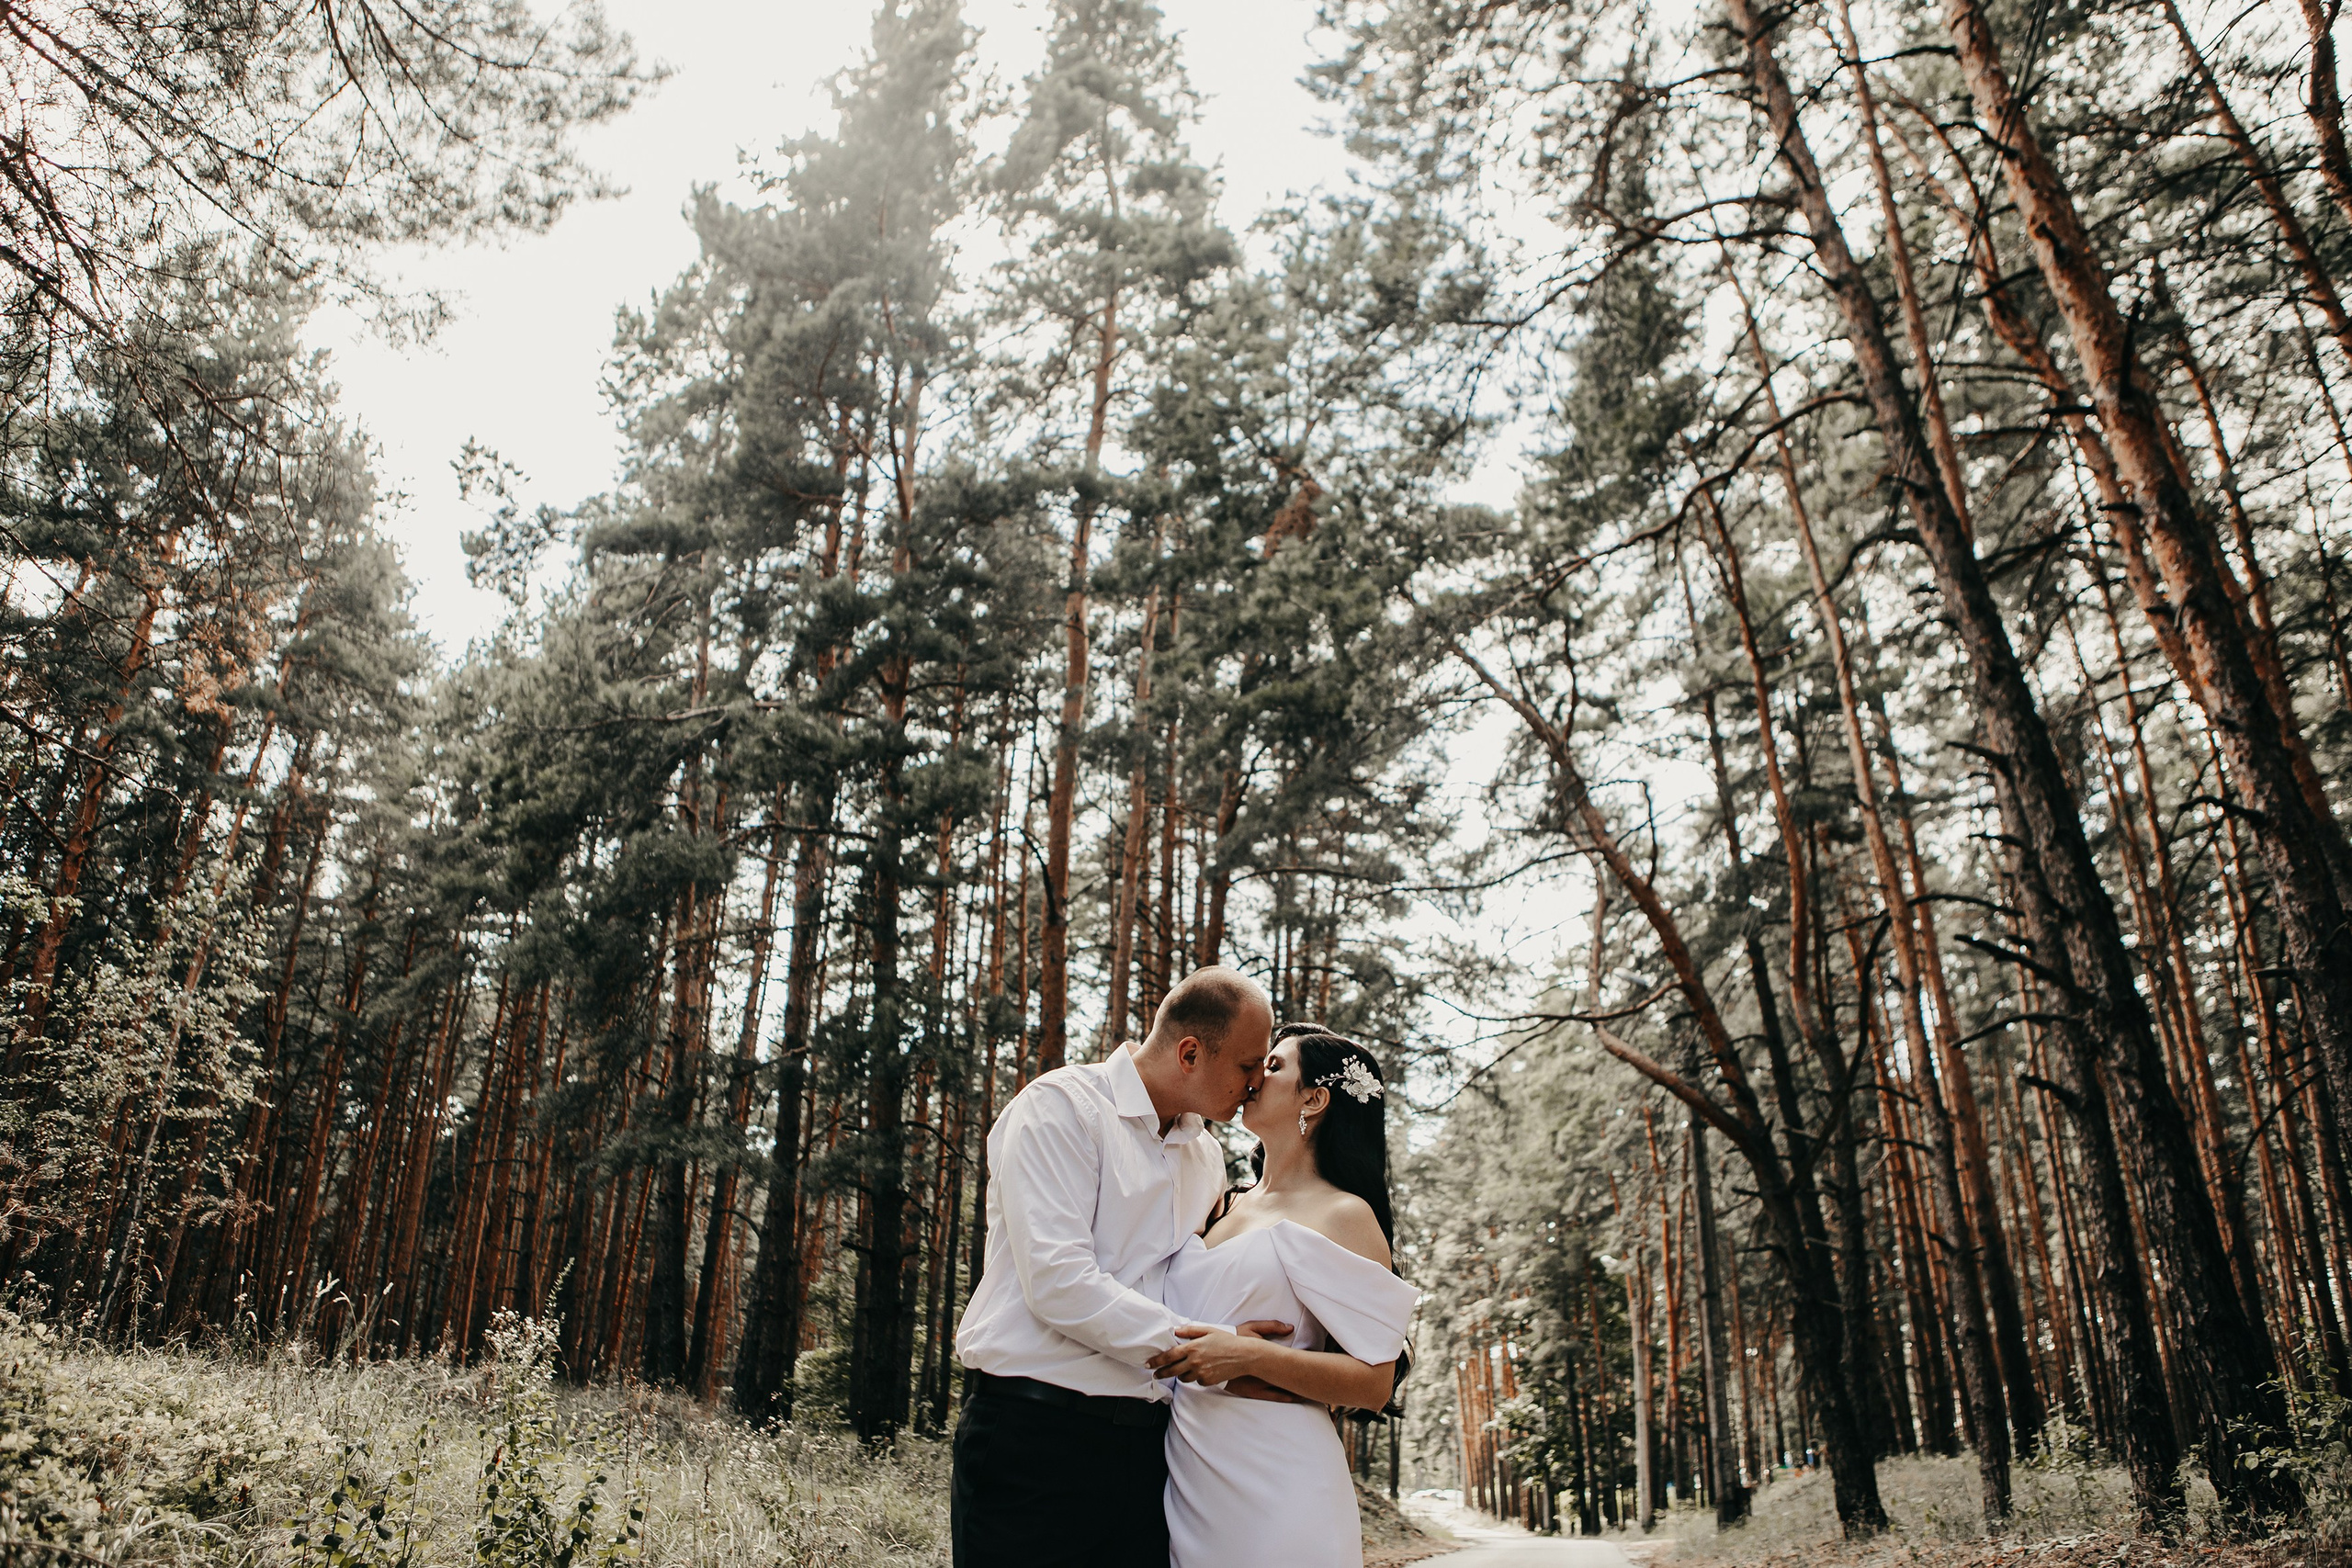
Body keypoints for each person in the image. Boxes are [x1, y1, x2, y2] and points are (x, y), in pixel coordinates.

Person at [949, 966, 1273, 1568]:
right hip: (1033, 1439)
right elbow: (1059, 1282)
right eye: (1249, 1065)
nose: (1256, 1084)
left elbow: (1198, 1280)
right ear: (1191, 1052)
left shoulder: (1204, 1157)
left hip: (1147, 1453)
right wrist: (1211, 1347)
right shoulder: (1059, 1109)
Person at [1148, 1023, 1419, 1568]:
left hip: (1278, 1478)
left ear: (1314, 1099)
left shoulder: (1344, 1215)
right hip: (1186, 1469)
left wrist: (1250, 1355)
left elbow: (1373, 1383)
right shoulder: (1220, 1205)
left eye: (1272, 1068)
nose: (1251, 1077)